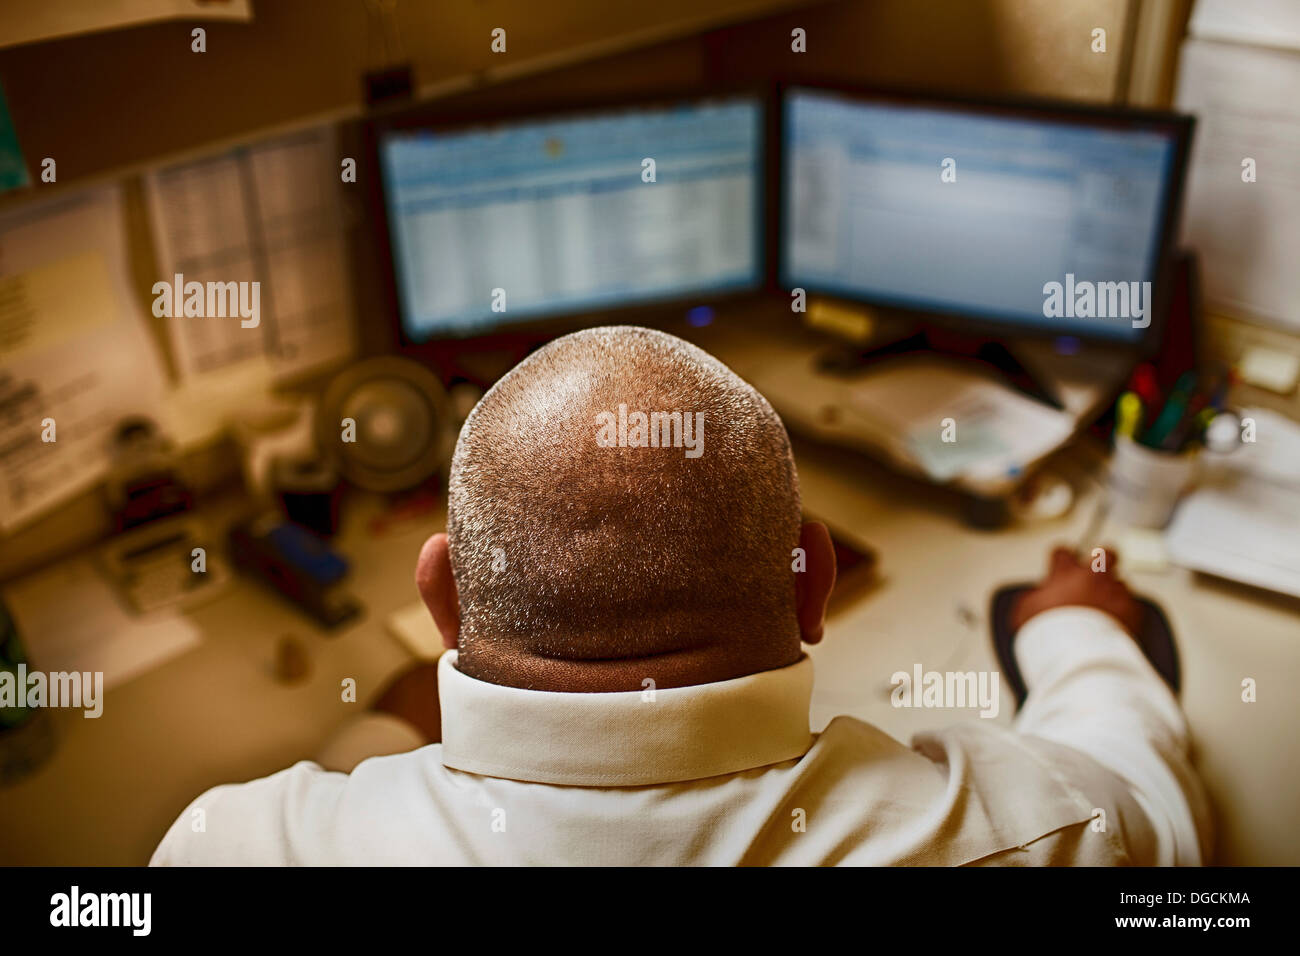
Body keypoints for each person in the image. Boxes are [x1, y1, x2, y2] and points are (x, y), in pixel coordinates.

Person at [151, 326, 1210, 866]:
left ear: (441, 597)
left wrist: (378, 729)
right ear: (816, 579)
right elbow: (1151, 799)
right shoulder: (1029, 832)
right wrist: (1075, 621)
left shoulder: (245, 842)